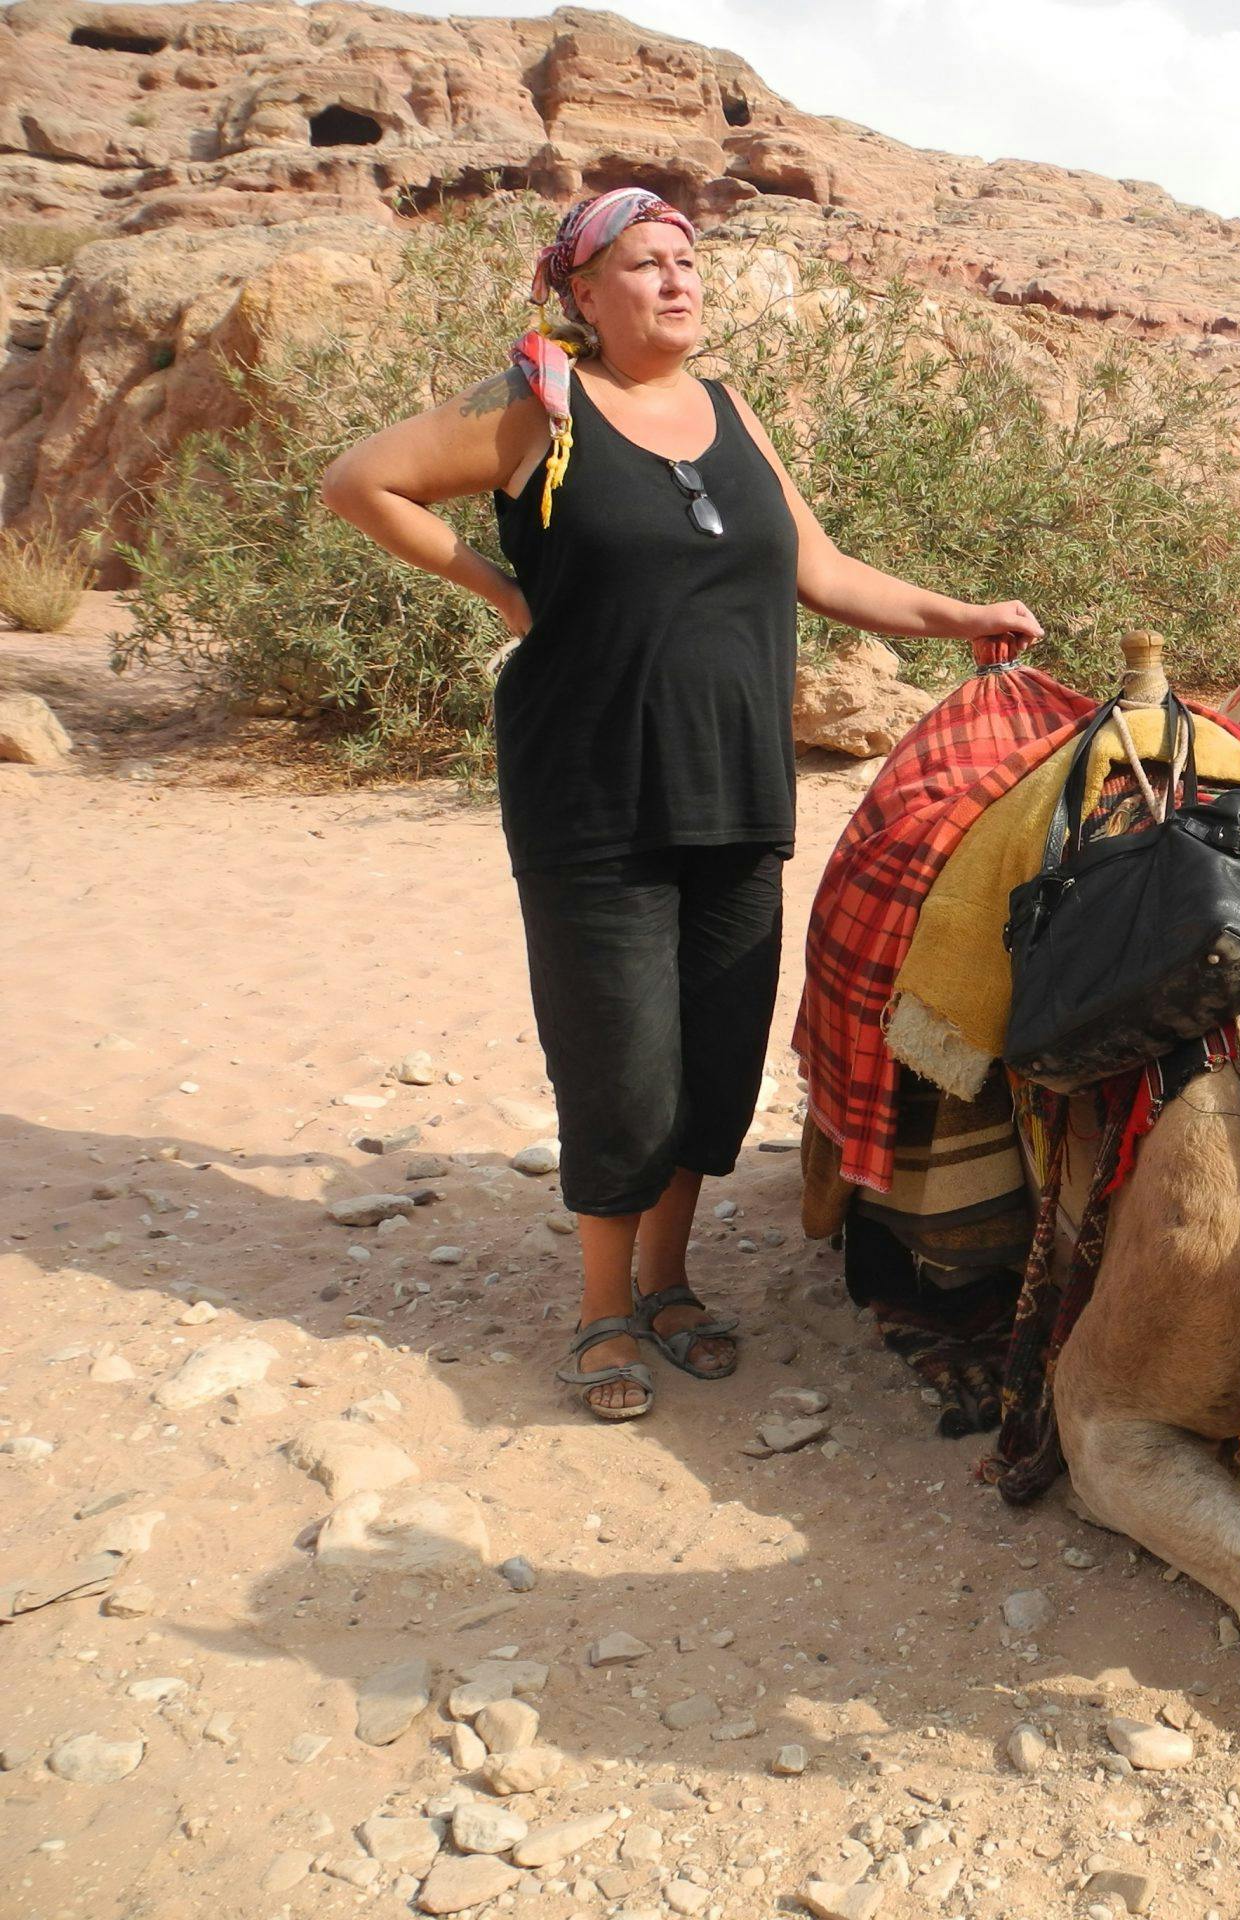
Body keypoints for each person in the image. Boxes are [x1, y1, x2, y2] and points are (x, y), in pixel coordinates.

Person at [323, 188, 1041, 1420]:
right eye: (646, 265)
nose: (675, 282)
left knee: (711, 1063)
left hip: (735, 792)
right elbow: (360, 481)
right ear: (583, 292)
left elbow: (819, 570)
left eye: (688, 262)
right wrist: (504, 594)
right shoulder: (532, 403)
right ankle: (603, 1311)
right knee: (619, 1070)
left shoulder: (727, 410)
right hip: (591, 796)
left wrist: (960, 614)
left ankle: (669, 1281)